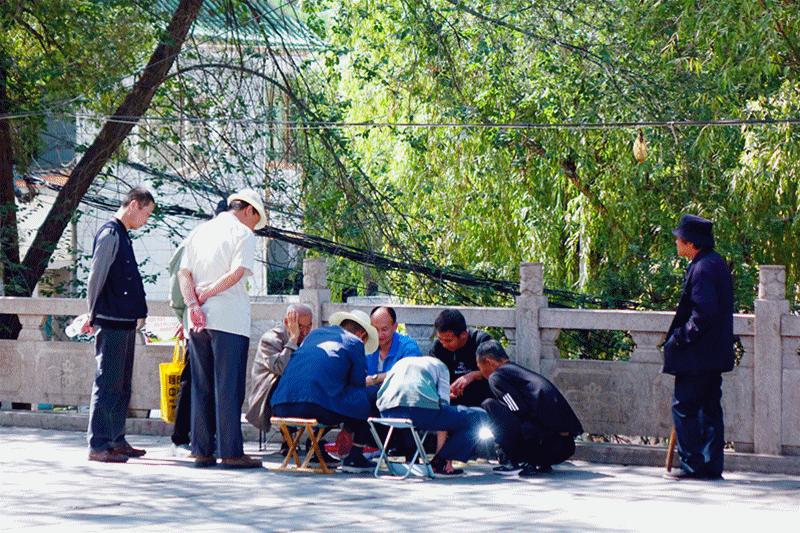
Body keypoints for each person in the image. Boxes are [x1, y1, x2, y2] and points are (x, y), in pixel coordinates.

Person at [178, 189, 267, 469]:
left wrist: (193, 303)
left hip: (198, 319)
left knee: (201, 385)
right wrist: (209, 293)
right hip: (228, 318)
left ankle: (201, 449)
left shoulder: (199, 232)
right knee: (228, 387)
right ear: (249, 211)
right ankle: (230, 451)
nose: (254, 225)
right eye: (256, 219)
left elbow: (184, 274)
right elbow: (238, 272)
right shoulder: (243, 234)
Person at [85, 187, 155, 463]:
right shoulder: (110, 233)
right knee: (107, 383)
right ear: (134, 205)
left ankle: (116, 438)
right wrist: (91, 314)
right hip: (110, 319)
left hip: (125, 320)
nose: (145, 221)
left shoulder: (123, 234)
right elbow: (96, 276)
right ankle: (98, 443)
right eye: (146, 214)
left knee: (122, 385)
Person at [662, 214, 734, 481]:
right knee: (709, 408)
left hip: (697, 355)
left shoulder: (703, 268)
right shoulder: (715, 263)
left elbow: (703, 314)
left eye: (679, 239)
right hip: (712, 355)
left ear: (691, 243)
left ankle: (693, 466)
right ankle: (711, 466)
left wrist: (681, 337)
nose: (677, 243)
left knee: (686, 407)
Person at [270, 309, 380, 473]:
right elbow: (358, 385)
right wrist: (349, 429)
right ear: (362, 335)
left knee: (329, 394)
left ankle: (316, 445)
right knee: (371, 394)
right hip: (315, 407)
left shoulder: (314, 335)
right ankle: (355, 456)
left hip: (280, 405)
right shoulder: (355, 342)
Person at [167, 199, 228, 457]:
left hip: (220, 323)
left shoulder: (229, 244)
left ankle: (205, 436)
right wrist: (186, 316)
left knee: (210, 381)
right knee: (194, 379)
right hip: (197, 322)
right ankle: (182, 435)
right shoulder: (196, 240)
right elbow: (178, 286)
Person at [477, 340, 583, 477]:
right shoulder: (518, 372)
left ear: (489, 362)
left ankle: (510, 462)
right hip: (564, 448)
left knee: (489, 404)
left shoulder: (496, 377)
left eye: (479, 367)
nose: (481, 373)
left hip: (544, 444)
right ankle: (537, 462)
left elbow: (517, 408)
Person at [377, 356, 490, 476]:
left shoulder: (401, 363)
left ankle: (435, 460)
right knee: (478, 416)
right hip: (420, 412)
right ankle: (441, 461)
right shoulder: (441, 367)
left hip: (386, 413)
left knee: (424, 414)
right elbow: (443, 406)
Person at [430, 309, 494, 407]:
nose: (444, 344)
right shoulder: (438, 347)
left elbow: (499, 370)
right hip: (452, 404)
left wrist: (473, 375)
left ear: (463, 335)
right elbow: (431, 377)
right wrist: (443, 394)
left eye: (448, 340)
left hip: (482, 402)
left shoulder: (482, 341)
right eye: (440, 339)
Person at [365, 306, 422, 389]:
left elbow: (410, 372)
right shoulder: (366, 346)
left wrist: (376, 379)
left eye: (384, 329)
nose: (379, 334)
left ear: (395, 327)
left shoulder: (408, 347)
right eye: (375, 329)